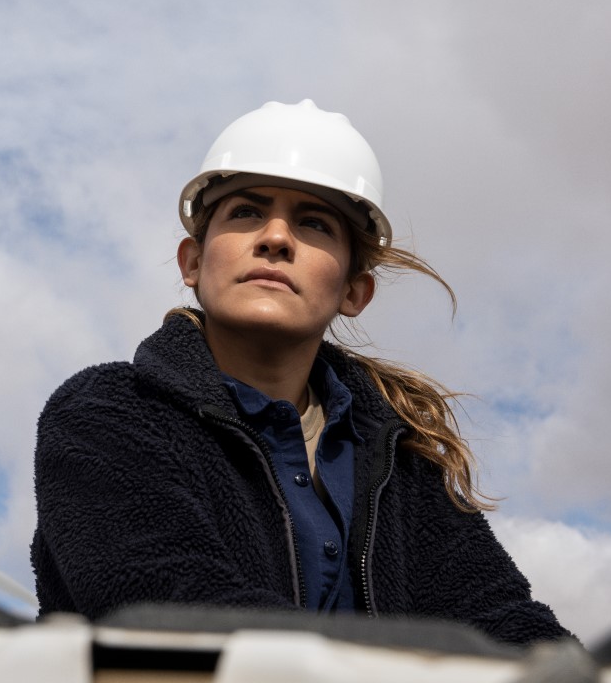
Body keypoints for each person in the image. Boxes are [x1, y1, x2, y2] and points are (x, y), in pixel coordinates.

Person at [31, 100, 568, 645]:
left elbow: (503, 618)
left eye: (313, 223)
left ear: (354, 291)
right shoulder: (105, 412)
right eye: (246, 212)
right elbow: (170, 608)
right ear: (192, 261)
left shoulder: (401, 460)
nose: (276, 238)